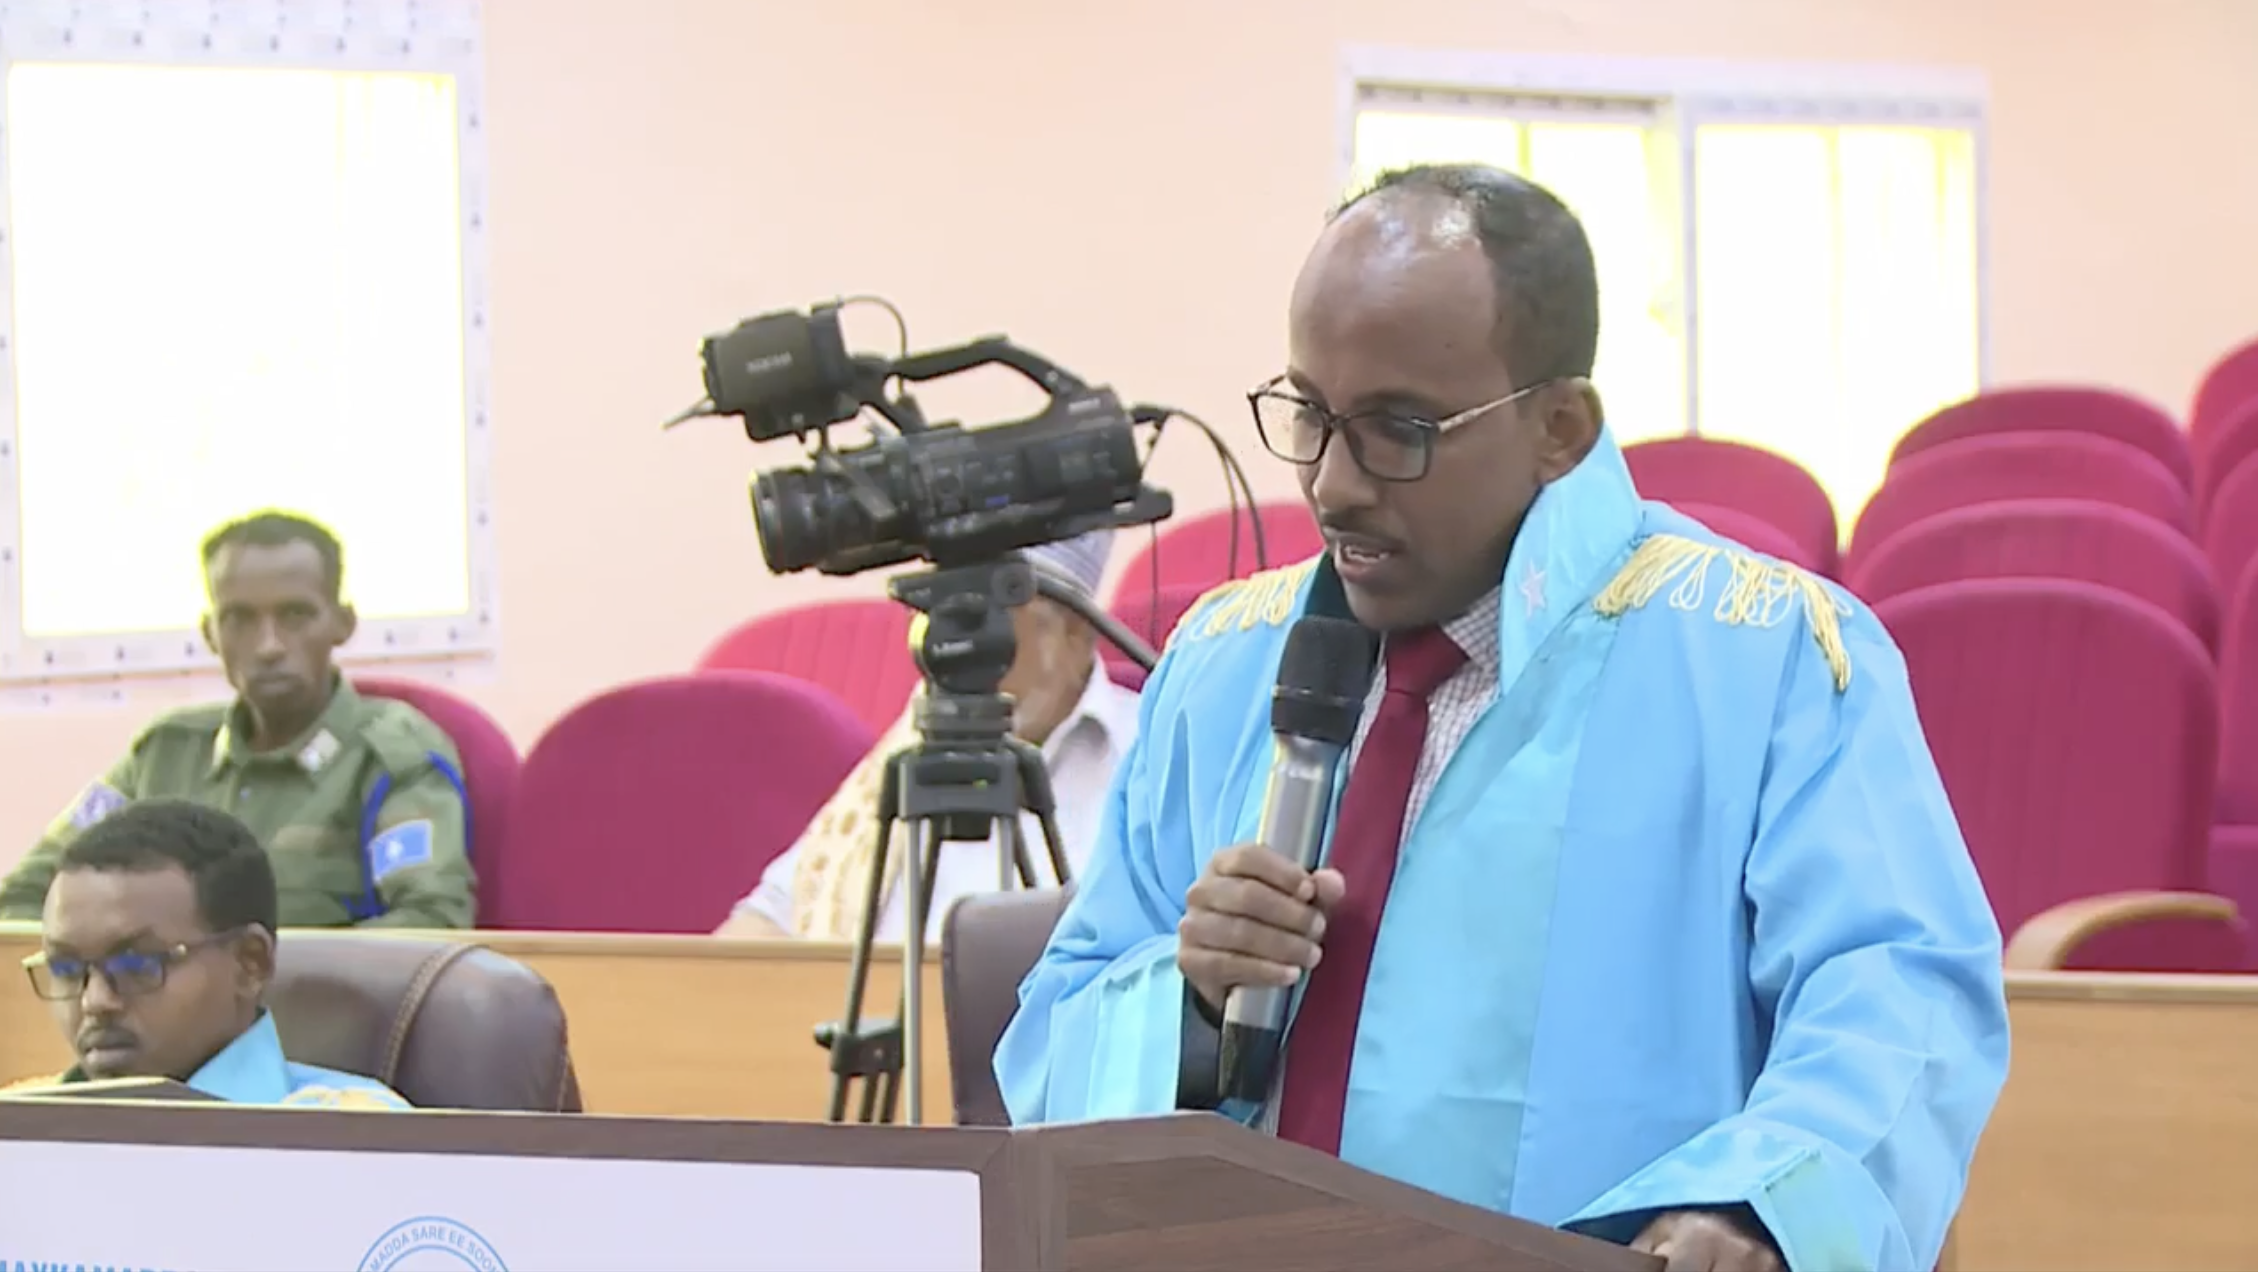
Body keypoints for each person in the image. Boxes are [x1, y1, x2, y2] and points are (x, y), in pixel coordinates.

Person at [995, 164, 2009, 1272]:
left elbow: (1897, 999)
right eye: (1310, 415)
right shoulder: (1218, 667)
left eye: (1396, 429)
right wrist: (1188, 994)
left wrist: (1750, 1208)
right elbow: (1052, 1041)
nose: (1330, 484)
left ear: (1558, 428)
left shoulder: (1765, 657)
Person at [0, 511, 473, 928]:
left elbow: (431, 922)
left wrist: (242, 982)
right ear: (210, 633)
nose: (268, 645)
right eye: (239, 620)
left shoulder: (389, 758)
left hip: (316, 1024)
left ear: (342, 623)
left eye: (295, 615)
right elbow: (23, 900)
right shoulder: (163, 756)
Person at [718, 531, 1142, 943]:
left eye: (979, 619)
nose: (955, 646)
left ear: (1076, 633)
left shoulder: (1156, 757)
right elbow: (774, 917)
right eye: (940, 612)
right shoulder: (907, 747)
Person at [0, 799, 410, 1107]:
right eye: (67, 968)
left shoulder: (357, 1137)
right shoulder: (19, 1124)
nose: (95, 1001)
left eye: (137, 964)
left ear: (250, 963)